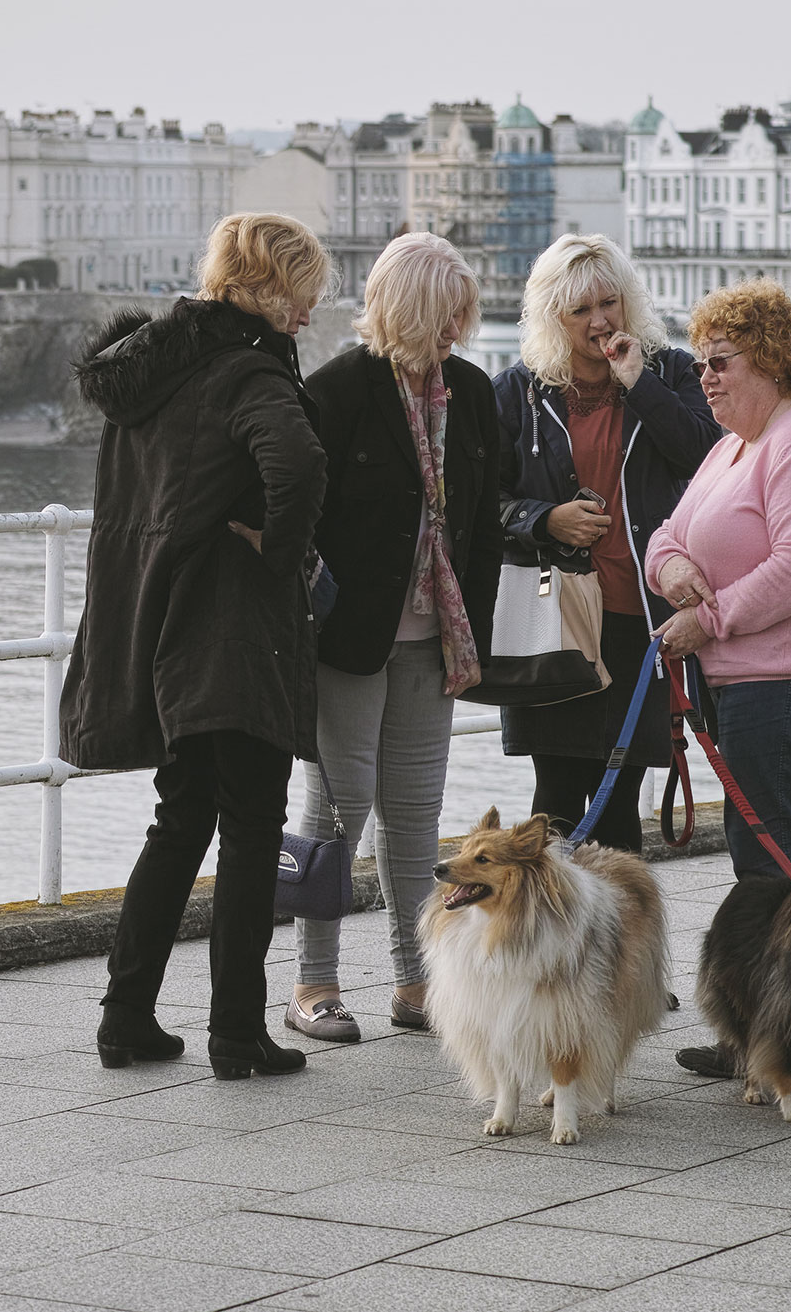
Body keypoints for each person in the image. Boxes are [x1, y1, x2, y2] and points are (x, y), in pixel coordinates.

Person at [62, 212, 330, 1081]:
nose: (310, 313)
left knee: (179, 820)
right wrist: (278, 547)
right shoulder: (247, 368)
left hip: (158, 625)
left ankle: (126, 1016)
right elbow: (297, 462)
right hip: (233, 631)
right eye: (305, 294)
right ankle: (237, 1034)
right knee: (250, 828)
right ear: (272, 287)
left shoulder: (153, 371)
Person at [641, 278, 791, 1078]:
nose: (703, 375)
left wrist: (709, 618)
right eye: (701, 361)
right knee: (772, 861)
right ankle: (776, 1032)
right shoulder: (735, 442)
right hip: (753, 685)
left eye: (721, 361)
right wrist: (673, 568)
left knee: (776, 869)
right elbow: (666, 532)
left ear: (771, 361)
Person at [285, 233, 503, 1043]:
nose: (458, 326)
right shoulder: (339, 391)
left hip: (434, 641)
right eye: (447, 310)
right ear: (408, 305)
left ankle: (418, 985)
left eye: (464, 311)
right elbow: (304, 517)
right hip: (349, 639)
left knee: (416, 820)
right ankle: (314, 983)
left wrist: (469, 628)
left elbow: (485, 519)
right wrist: (323, 614)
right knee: (335, 812)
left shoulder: (474, 394)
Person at [494, 235, 721, 850]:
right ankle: (554, 944)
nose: (600, 321)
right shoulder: (519, 392)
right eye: (579, 310)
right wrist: (545, 519)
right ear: (552, 317)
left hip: (639, 617)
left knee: (621, 800)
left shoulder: (669, 371)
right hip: (553, 619)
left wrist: (636, 381)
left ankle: (620, 947)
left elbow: (706, 456)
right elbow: (480, 502)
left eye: (609, 302)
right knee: (557, 799)